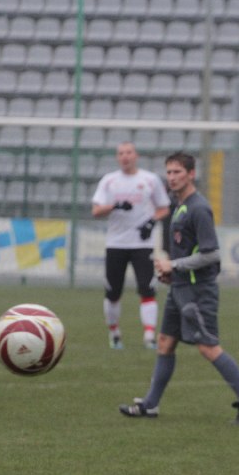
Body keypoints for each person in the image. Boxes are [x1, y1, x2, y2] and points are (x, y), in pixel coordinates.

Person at [119, 152, 239, 425]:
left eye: (177, 172)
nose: (172, 178)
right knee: (165, 342)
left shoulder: (198, 208)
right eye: (169, 172)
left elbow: (212, 254)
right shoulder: (179, 205)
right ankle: (150, 405)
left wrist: (174, 265)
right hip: (180, 287)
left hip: (199, 291)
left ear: (191, 174)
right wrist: (172, 274)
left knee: (208, 348)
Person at [91, 141, 170, 350]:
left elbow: (164, 208)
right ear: (117, 158)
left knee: (147, 289)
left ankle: (149, 336)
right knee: (113, 293)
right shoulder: (109, 181)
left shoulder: (150, 179)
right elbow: (96, 211)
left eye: (128, 152)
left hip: (142, 244)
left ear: (136, 156)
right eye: (121, 153)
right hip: (115, 243)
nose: (125, 156)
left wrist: (151, 222)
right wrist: (115, 205)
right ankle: (114, 334)